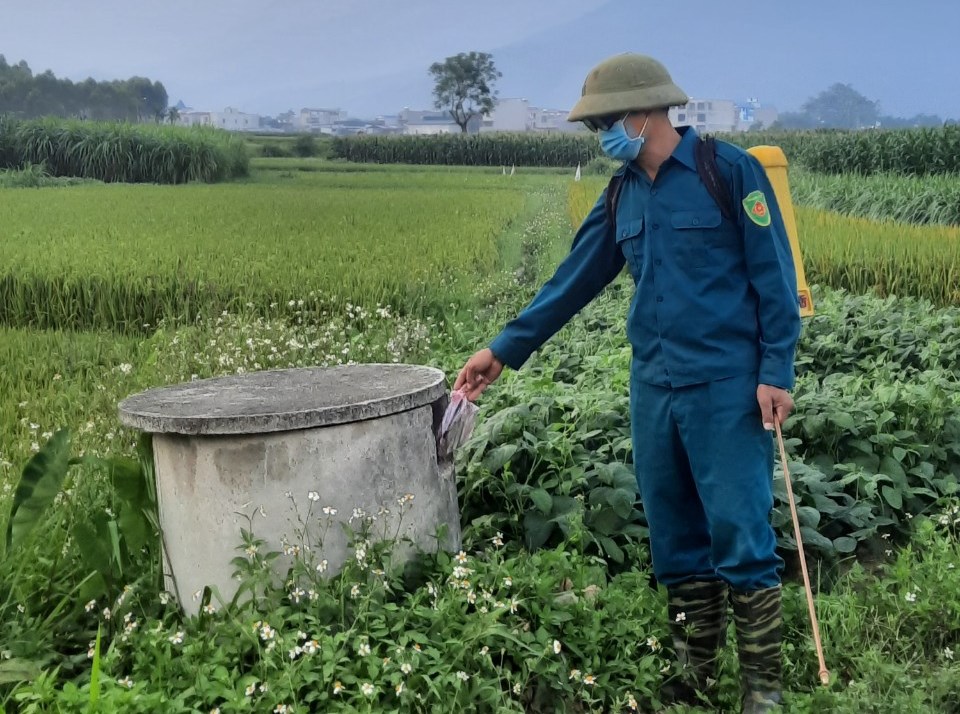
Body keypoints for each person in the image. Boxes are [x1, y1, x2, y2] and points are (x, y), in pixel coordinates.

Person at [454, 53, 801, 713]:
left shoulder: (728, 173)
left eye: (607, 122)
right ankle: (693, 673)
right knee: (674, 532)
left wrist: (774, 372)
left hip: (726, 387)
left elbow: (774, 282)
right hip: (655, 389)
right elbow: (572, 281)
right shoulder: (622, 194)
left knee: (738, 526)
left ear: (643, 112)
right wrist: (503, 349)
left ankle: (763, 689)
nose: (603, 136)